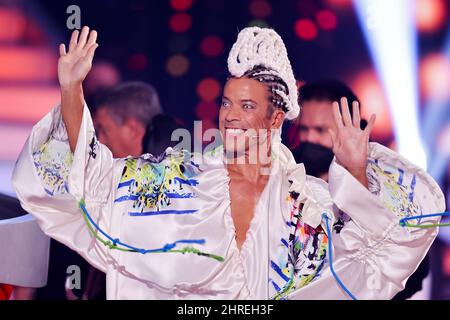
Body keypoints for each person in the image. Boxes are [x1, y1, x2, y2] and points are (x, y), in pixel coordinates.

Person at [12, 26, 445, 299]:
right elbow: (93, 186)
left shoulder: (311, 206)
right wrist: (72, 92)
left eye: (246, 105)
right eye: (226, 103)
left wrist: (356, 171)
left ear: (276, 117)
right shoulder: (179, 182)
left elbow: (388, 247)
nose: (231, 115)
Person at [291, 79, 431, 300]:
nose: (310, 139)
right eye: (305, 129)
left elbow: (414, 270)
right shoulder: (288, 179)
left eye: (321, 130)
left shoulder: (388, 185)